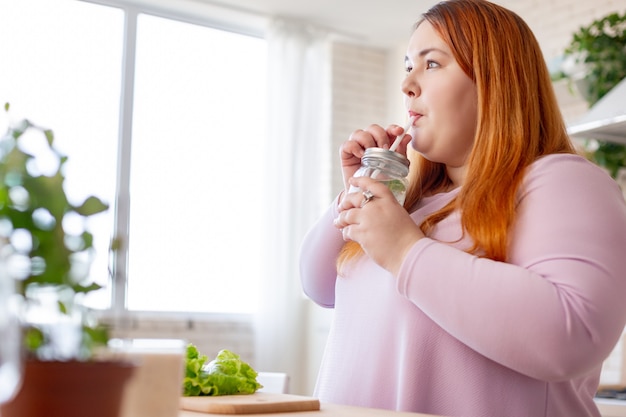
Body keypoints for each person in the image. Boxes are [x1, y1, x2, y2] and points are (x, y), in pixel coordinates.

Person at [298, 0, 626, 416]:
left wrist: (404, 251)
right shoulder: (413, 208)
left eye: (431, 64)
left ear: (495, 81)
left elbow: (573, 335)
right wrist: (358, 194)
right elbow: (318, 284)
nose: (407, 84)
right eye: (406, 66)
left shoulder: (563, 181)